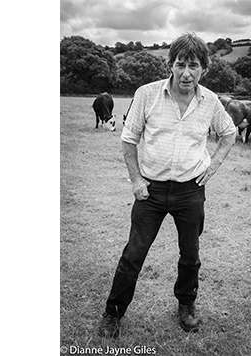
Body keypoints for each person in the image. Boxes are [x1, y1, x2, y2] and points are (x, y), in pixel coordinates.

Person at [98, 32, 237, 338]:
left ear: (204, 68)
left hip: (190, 190)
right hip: (151, 190)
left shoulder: (210, 101)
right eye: (181, 64)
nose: (187, 73)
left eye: (194, 66)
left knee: (190, 255)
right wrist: (136, 179)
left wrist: (211, 167)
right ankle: (113, 313)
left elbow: (229, 133)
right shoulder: (147, 94)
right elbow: (129, 138)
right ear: (171, 64)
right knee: (134, 253)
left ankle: (186, 307)